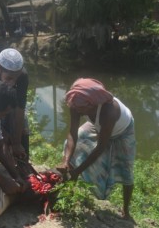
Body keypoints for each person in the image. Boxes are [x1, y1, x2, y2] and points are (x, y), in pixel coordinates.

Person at [59, 78, 136, 220]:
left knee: (126, 171)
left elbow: (101, 147)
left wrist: (78, 170)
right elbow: (72, 133)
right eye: (76, 108)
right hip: (98, 125)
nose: (78, 112)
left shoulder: (109, 111)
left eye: (82, 109)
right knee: (68, 147)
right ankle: (69, 190)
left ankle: (126, 210)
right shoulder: (76, 103)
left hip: (122, 131)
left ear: (93, 105)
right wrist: (66, 160)